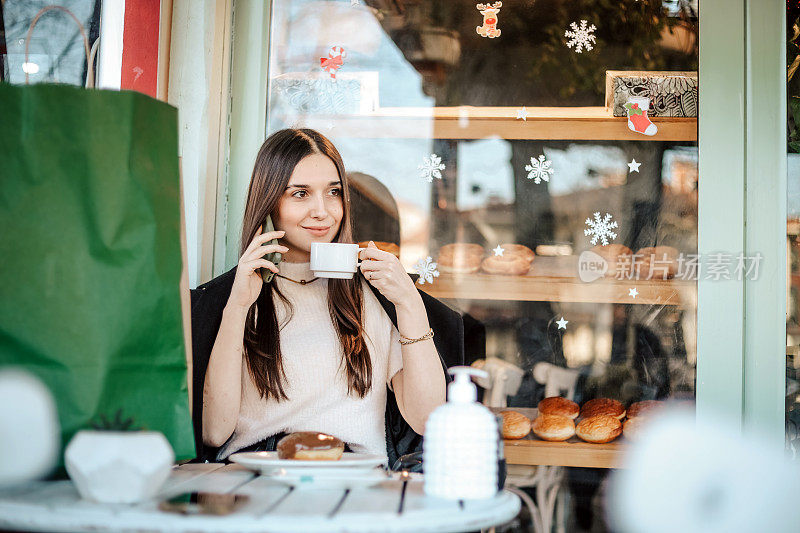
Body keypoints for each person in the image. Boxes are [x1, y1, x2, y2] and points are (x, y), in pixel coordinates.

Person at [190, 128, 461, 465]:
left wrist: (409, 302)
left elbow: (426, 419)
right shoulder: (231, 299)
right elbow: (214, 432)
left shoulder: (372, 295)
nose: (322, 211)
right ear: (269, 200)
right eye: (300, 193)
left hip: (354, 484)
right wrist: (238, 306)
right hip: (256, 480)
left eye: (333, 192)